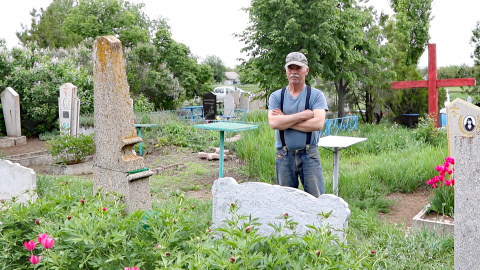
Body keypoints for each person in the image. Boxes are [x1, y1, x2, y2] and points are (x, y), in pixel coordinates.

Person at [268, 52, 328, 197]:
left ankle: (316, 221)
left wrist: (285, 120)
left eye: (298, 68)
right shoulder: (277, 96)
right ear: (286, 71)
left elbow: (318, 123)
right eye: (290, 68)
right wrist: (302, 115)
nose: (294, 72)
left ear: (306, 70)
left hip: (309, 154)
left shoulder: (316, 95)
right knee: (286, 201)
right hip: (284, 155)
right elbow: (274, 122)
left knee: (316, 200)